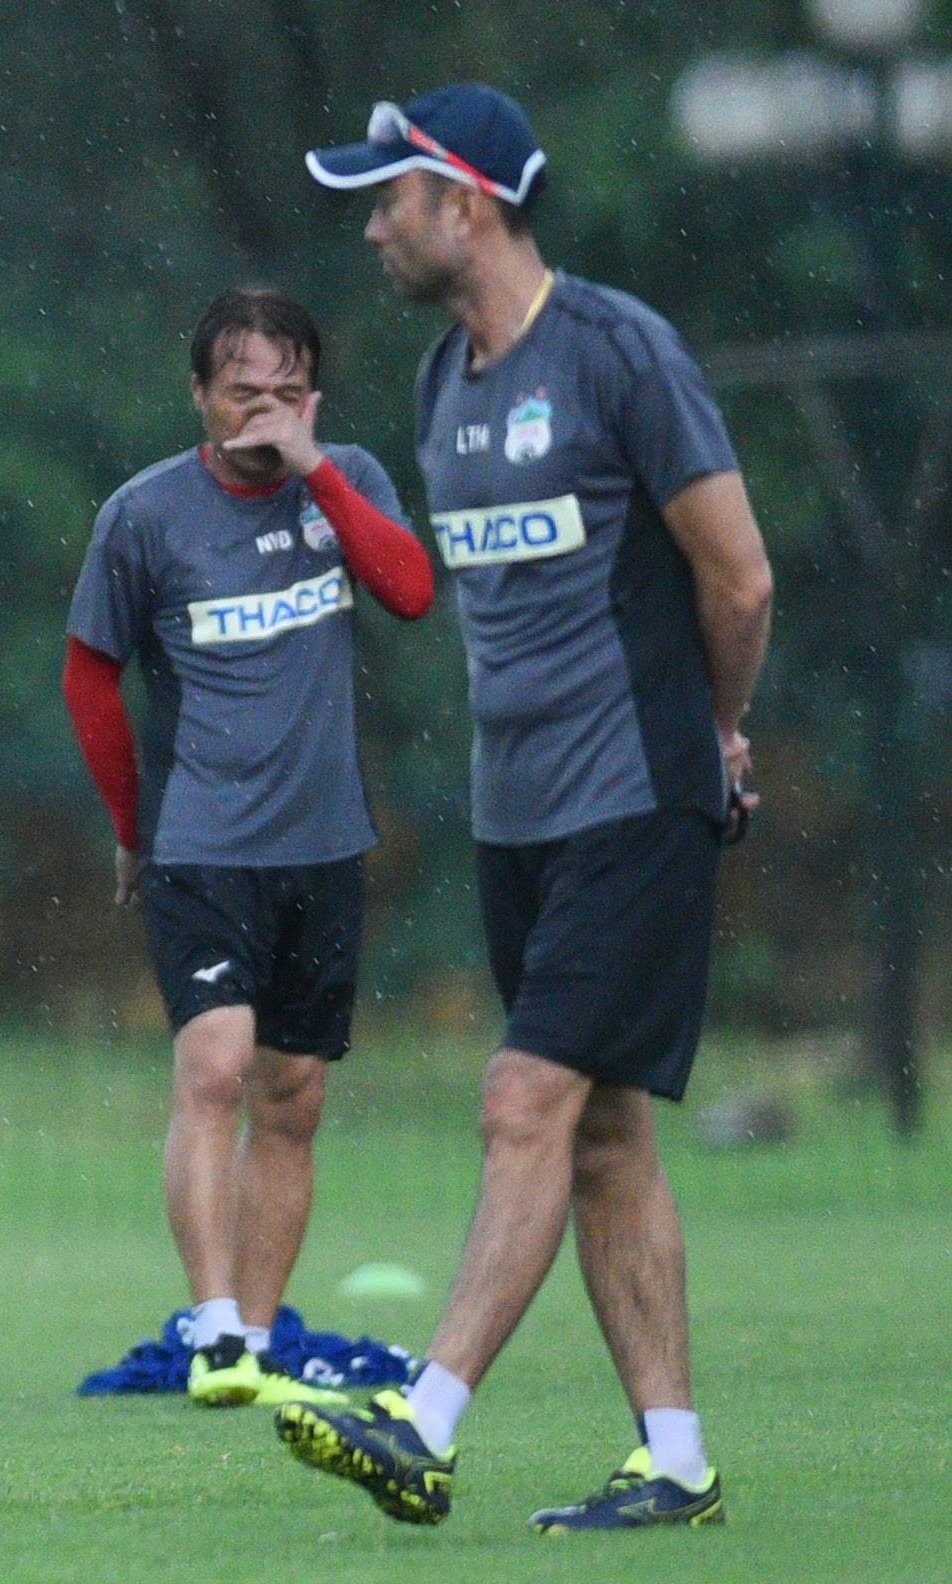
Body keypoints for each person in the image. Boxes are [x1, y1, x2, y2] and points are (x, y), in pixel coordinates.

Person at [280, 84, 772, 1531]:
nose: (371, 228)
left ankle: (421, 1424)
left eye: (388, 200)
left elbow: (736, 576)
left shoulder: (620, 352)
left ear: (464, 203)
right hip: (521, 818)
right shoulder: (443, 385)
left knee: (521, 1097)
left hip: (636, 791)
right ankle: (672, 1460)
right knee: (604, 1128)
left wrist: (718, 729)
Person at [64, 287, 433, 1412]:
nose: (262, 414)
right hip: (201, 841)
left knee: (293, 1093)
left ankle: (262, 1343)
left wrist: (315, 468)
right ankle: (213, 1328)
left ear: (310, 395)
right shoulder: (145, 516)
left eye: (285, 392)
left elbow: (411, 592)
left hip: (322, 843)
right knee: (214, 1065)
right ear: (197, 396)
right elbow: (89, 675)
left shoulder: (347, 482)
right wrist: (131, 828)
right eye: (241, 393)